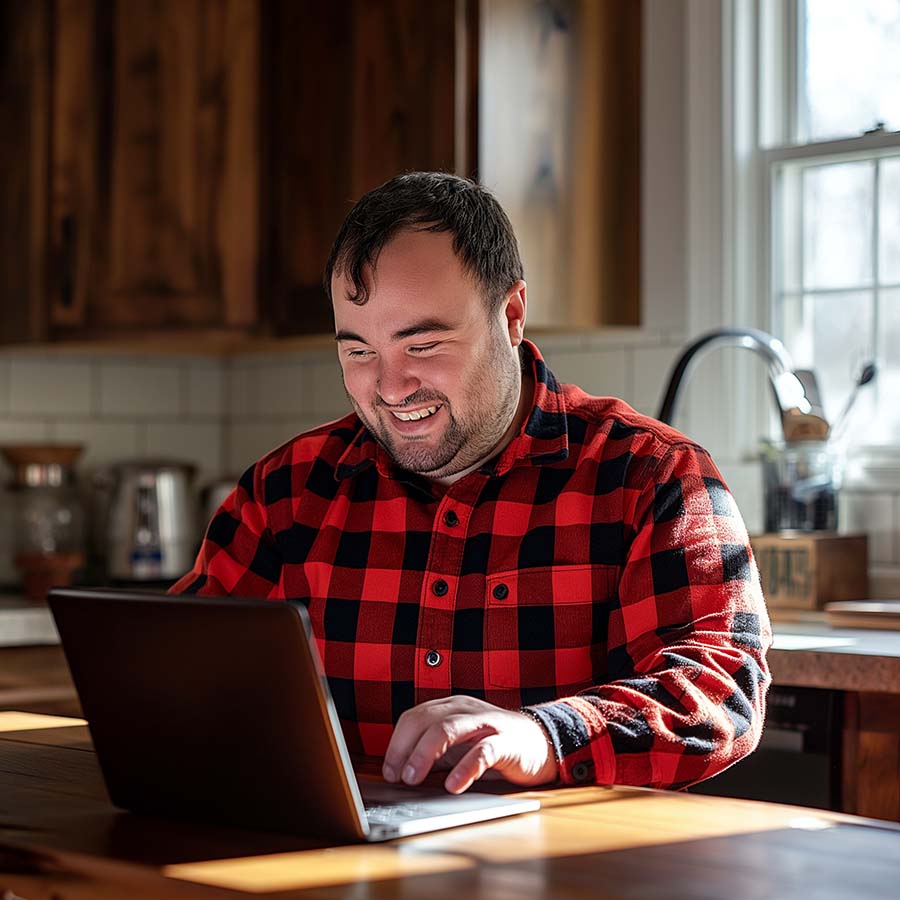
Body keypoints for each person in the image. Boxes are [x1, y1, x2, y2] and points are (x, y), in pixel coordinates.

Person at [171, 171, 771, 796]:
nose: (391, 386)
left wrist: (542, 735)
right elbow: (177, 668)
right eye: (358, 351)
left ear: (510, 315)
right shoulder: (288, 491)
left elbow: (719, 692)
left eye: (424, 344)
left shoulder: (651, 475)